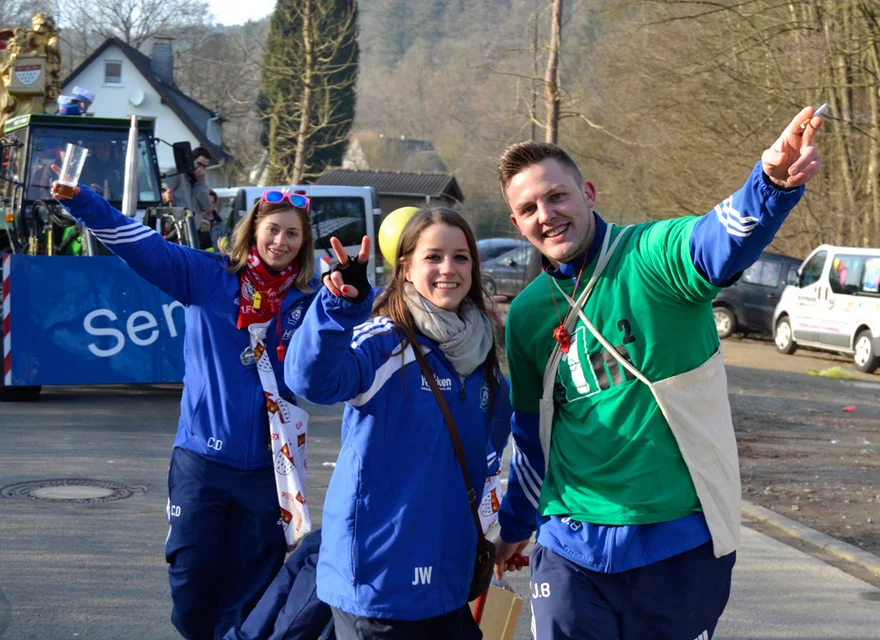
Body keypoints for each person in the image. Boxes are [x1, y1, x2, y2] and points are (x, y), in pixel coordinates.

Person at [492, 106, 824, 640]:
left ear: (589, 194)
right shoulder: (528, 314)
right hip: (570, 545)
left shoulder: (650, 255)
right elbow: (532, 438)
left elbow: (715, 244)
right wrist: (513, 527)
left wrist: (768, 186)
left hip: (678, 544)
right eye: (528, 207)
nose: (546, 214)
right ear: (516, 223)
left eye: (557, 196)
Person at [51, 181, 320, 640]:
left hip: (269, 471)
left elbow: (374, 306)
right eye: (273, 229)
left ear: (303, 243)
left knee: (252, 589)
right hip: (202, 460)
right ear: (252, 230)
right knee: (191, 580)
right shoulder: (208, 275)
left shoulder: (311, 298)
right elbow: (144, 247)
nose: (281, 242)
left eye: (292, 234)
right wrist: (84, 203)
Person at [286, 207, 513, 639]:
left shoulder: (482, 358)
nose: (449, 269)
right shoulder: (384, 341)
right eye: (433, 257)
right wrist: (338, 308)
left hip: (448, 580)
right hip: (381, 582)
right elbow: (312, 381)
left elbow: (492, 459)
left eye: (461, 257)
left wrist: (506, 528)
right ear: (405, 268)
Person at [164, 147, 212, 215]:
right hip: (178, 222)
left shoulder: (200, 182)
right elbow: (163, 192)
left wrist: (200, 183)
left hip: (193, 224)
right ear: (191, 160)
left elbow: (206, 207)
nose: (201, 169)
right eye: (199, 164)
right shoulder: (176, 173)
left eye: (204, 167)